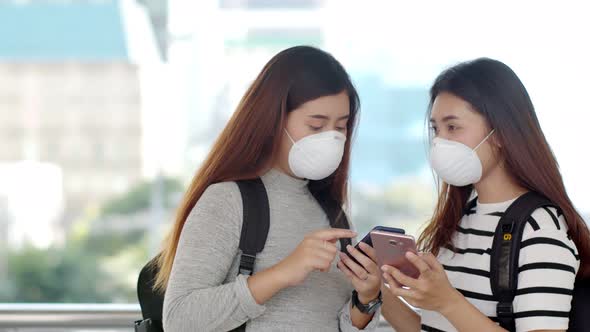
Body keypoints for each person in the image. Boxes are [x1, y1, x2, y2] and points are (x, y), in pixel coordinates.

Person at [156, 46, 382, 331]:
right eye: (316, 125)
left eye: (341, 126)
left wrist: (366, 300)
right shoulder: (228, 201)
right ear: (273, 120)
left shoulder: (334, 215)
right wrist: (283, 273)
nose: (332, 138)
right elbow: (179, 320)